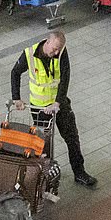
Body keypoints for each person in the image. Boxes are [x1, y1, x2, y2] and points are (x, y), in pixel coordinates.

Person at [11, 30, 97, 187]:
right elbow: (15, 72)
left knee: (72, 138)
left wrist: (57, 103)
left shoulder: (61, 53)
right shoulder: (29, 54)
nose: (56, 52)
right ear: (47, 42)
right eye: (54, 49)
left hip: (59, 105)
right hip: (39, 108)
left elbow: (65, 77)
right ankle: (45, 178)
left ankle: (80, 173)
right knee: (44, 145)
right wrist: (16, 98)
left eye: (59, 49)